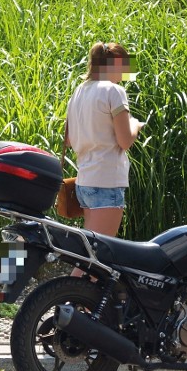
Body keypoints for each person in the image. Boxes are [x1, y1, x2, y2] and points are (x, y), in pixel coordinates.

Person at [65, 42, 144, 240]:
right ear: (116, 63)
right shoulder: (114, 91)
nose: (126, 73)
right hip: (107, 182)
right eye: (125, 66)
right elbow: (125, 141)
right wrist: (135, 125)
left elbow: (67, 140)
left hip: (84, 182)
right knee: (97, 256)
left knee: (89, 254)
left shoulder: (79, 91)